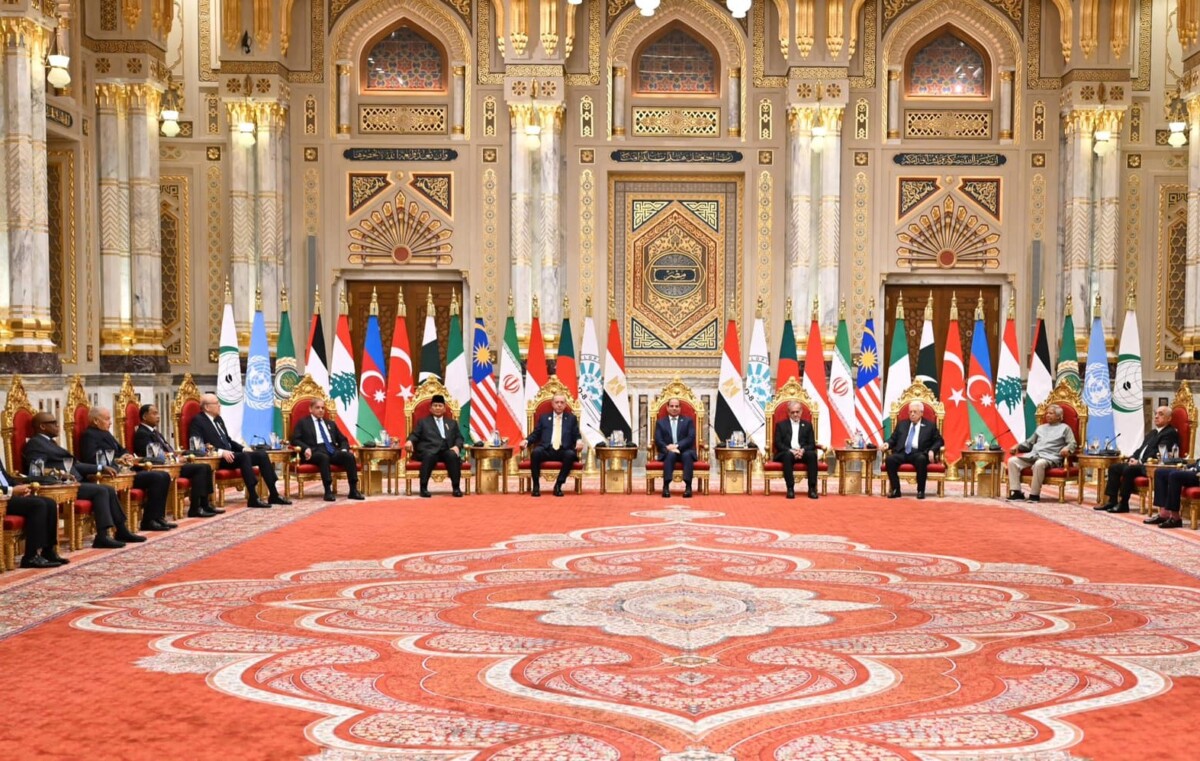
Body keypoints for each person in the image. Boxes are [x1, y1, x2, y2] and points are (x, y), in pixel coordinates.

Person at [24, 412, 144, 549]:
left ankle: (121, 530)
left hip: (74, 481)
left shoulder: (50, 442)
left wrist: (100, 467)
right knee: (101, 491)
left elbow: (76, 465)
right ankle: (102, 536)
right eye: (53, 423)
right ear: (42, 426)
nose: (58, 426)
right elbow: (36, 467)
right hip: (60, 484)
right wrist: (59, 474)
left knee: (108, 489)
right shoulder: (36, 443)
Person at [78, 406, 176, 532]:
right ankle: (148, 521)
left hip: (125, 472)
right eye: (107, 419)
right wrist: (118, 460)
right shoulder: (89, 435)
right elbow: (92, 458)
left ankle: (157, 517)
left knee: (163, 476)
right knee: (156, 477)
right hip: (110, 475)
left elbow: (122, 449)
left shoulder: (106, 433)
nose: (110, 422)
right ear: (96, 421)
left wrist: (126, 455)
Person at [187, 393, 291, 507]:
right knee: (243, 457)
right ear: (207, 407)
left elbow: (228, 440)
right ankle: (253, 497)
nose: (220, 405)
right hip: (217, 458)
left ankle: (274, 494)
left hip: (232, 456)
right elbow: (198, 445)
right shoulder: (198, 421)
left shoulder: (218, 419)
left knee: (261, 455)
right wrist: (221, 452)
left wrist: (243, 449)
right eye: (216, 403)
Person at [132, 403, 220, 518]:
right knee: (200, 469)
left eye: (158, 413)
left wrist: (181, 455)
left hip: (173, 463)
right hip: (162, 467)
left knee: (205, 466)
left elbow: (167, 449)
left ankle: (205, 505)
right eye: (154, 413)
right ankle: (195, 508)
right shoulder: (142, 433)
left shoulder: (155, 432)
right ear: (144, 417)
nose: (158, 416)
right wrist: (176, 458)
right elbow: (153, 454)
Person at [1094, 406, 1179, 514]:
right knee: (1114, 468)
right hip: (1139, 463)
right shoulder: (1153, 432)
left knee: (1129, 470)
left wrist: (1139, 462)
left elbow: (1160, 453)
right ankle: (1112, 501)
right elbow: (1141, 449)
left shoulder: (1170, 433)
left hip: (1149, 466)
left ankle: (1124, 503)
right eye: (1156, 413)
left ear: (1169, 418)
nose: (1156, 416)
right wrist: (1132, 458)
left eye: (1161, 414)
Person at [0, 456, 69, 568]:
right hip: (1, 500)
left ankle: (48, 551)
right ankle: (30, 557)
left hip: (7, 496)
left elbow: (7, 479)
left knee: (50, 503)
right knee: (38, 505)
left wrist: (21, 487)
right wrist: (11, 490)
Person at [290, 401, 365, 501]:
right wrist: (305, 448)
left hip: (332, 450)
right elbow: (295, 440)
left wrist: (343, 449)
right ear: (310, 409)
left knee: (349, 456)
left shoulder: (330, 423)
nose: (321, 410)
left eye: (323, 408)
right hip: (314, 451)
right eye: (317, 407)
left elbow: (343, 439)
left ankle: (353, 490)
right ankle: (328, 491)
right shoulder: (303, 423)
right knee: (323, 457)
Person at [1006, 404, 1077, 502]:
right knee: (1012, 461)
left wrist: (1067, 448)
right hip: (1034, 455)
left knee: (1039, 464)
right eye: (1047, 413)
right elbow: (1029, 443)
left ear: (1059, 416)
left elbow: (1072, 443)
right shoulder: (1040, 428)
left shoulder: (1065, 428)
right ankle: (1017, 493)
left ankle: (1034, 495)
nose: (1047, 415)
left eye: (1051, 413)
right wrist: (1017, 446)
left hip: (1050, 457)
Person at [405, 394, 463, 498]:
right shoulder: (423, 422)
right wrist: (409, 441)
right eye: (435, 405)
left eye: (440, 406)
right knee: (429, 456)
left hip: (446, 450)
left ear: (444, 409)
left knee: (452, 455)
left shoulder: (452, 423)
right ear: (430, 408)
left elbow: (459, 437)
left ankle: (456, 488)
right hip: (429, 449)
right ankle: (423, 488)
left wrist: (457, 446)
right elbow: (414, 434)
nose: (437, 408)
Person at [882, 401, 944, 500]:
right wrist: (888, 444)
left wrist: (932, 450)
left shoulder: (930, 426)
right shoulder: (902, 424)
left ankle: (920, 491)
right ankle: (896, 490)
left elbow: (939, 441)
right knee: (890, 460)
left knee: (921, 459)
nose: (912, 414)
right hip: (902, 452)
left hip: (919, 453)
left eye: (915, 412)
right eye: (910, 412)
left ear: (921, 413)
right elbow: (893, 438)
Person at [525, 393, 584, 497]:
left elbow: (576, 434)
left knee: (570, 455)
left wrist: (579, 441)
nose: (559, 405)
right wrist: (526, 441)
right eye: (557, 402)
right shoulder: (544, 418)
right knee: (535, 453)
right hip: (547, 449)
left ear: (565, 404)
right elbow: (536, 434)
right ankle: (536, 486)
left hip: (563, 450)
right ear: (552, 404)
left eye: (562, 402)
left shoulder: (571, 419)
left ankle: (558, 485)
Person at [772, 402, 820, 499]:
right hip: (787, 453)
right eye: (792, 412)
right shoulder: (781, 425)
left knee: (812, 455)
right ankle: (790, 489)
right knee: (787, 455)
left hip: (803, 452)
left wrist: (802, 450)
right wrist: (791, 450)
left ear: (801, 412)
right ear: (788, 413)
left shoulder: (807, 425)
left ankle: (812, 489)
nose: (795, 414)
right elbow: (778, 443)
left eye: (797, 412)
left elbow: (812, 444)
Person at [655, 398, 697, 499]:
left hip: (685, 450)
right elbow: (658, 440)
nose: (674, 408)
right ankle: (666, 486)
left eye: (677, 406)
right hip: (668, 451)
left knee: (687, 455)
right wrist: (668, 448)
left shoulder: (688, 421)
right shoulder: (661, 422)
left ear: (680, 408)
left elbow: (691, 438)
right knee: (670, 455)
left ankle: (688, 487)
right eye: (672, 406)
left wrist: (677, 446)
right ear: (667, 407)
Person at [1146, 458, 1199, 529]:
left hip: (1198, 476)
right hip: (1194, 470)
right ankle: (1164, 514)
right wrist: (1188, 466)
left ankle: (1175, 518)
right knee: (1160, 472)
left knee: (1174, 476)